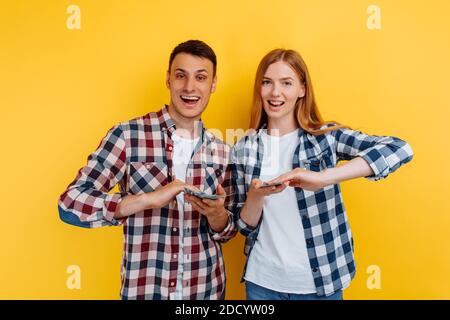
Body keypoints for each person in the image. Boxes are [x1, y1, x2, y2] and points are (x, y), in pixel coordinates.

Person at [229, 49, 414, 300]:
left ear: (302, 89)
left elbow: (399, 148)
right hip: (262, 284)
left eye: (286, 83)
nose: (275, 92)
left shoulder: (325, 138)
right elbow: (244, 226)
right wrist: (255, 197)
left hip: (320, 284)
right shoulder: (243, 148)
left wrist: (324, 177)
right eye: (267, 82)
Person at [58, 40, 236, 300]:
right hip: (145, 292)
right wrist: (145, 199)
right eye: (180, 75)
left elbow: (228, 229)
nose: (189, 87)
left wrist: (218, 215)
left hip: (206, 292)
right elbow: (70, 204)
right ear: (168, 80)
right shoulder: (127, 135)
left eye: (200, 77)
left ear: (213, 84)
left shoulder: (221, 151)